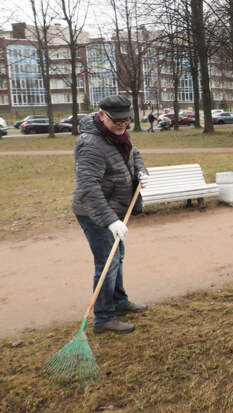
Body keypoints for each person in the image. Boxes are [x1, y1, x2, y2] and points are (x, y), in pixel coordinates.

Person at [72, 95, 150, 334]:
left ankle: (119, 301)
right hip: (94, 211)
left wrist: (141, 171)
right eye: (116, 120)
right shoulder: (90, 144)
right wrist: (111, 220)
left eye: (126, 120)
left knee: (117, 256)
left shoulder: (119, 135)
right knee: (107, 261)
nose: (122, 124)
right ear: (101, 114)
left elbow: (132, 153)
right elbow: (89, 187)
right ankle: (104, 317)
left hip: (115, 207)